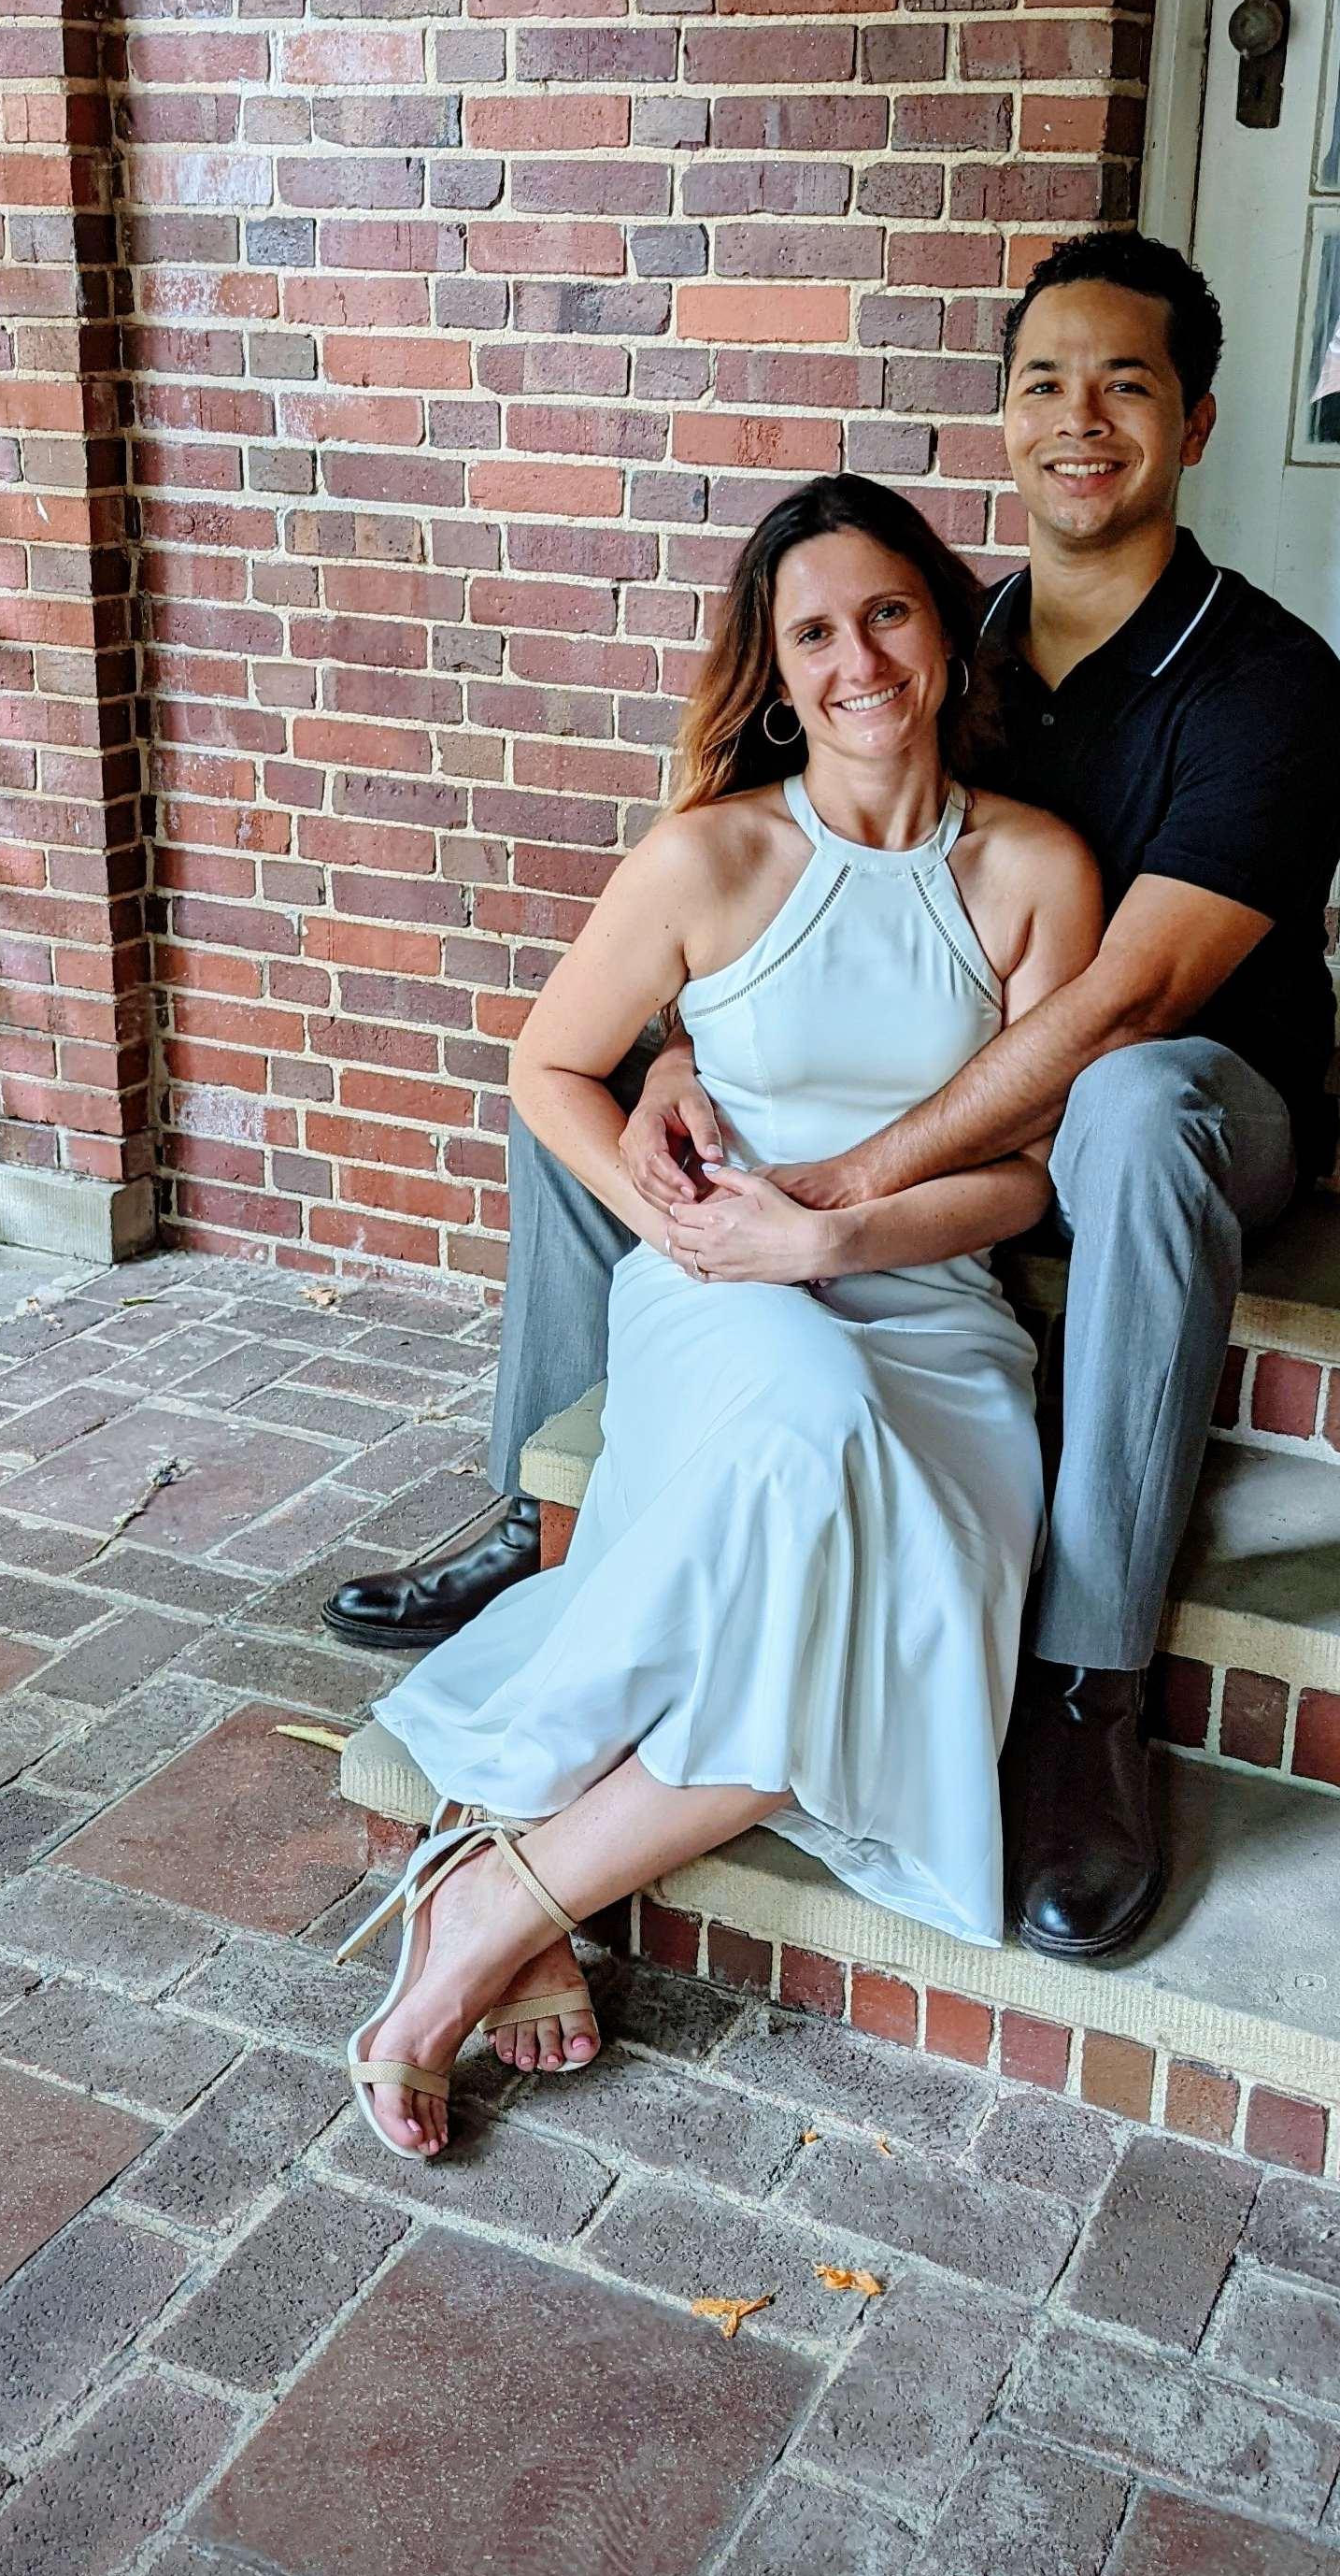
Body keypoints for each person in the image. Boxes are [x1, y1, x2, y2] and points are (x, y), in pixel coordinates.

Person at [327, 226, 1340, 1967]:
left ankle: (1091, 1685)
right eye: (1044, 383)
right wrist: (683, 1056)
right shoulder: (966, 629)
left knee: (1127, 1103)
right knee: (602, 1084)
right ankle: (543, 1507)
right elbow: (797, 900)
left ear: (1193, 419)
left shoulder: (1267, 682)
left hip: (1193, 1099)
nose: (1080, 419)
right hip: (920, 1148)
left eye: (1126, 385)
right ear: (1003, 415)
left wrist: (833, 1196)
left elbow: (1123, 1002)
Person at [340, 478, 1100, 2155]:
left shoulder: (1035, 868)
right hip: (716, 1301)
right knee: (812, 1436)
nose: (859, 663)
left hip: (934, 1309)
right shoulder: (712, 855)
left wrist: (838, 1237)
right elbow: (549, 1067)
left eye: (887, 615)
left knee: (900, 1591)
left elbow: (1032, 1173)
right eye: (814, 633)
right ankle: (490, 1919)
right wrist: (677, 1224)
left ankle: (500, 1887)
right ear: (773, 668)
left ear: (945, 628)